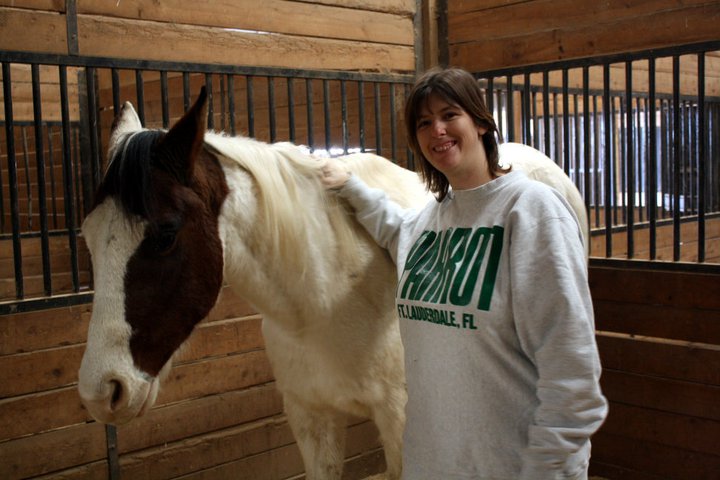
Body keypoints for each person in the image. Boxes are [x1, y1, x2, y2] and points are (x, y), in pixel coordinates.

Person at [321, 67, 608, 479]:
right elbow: (393, 227)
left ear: (480, 122)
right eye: (423, 123)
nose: (436, 130)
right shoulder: (427, 222)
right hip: (432, 465)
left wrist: (551, 467)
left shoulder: (531, 210)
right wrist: (350, 186)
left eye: (449, 114)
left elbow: (570, 362)